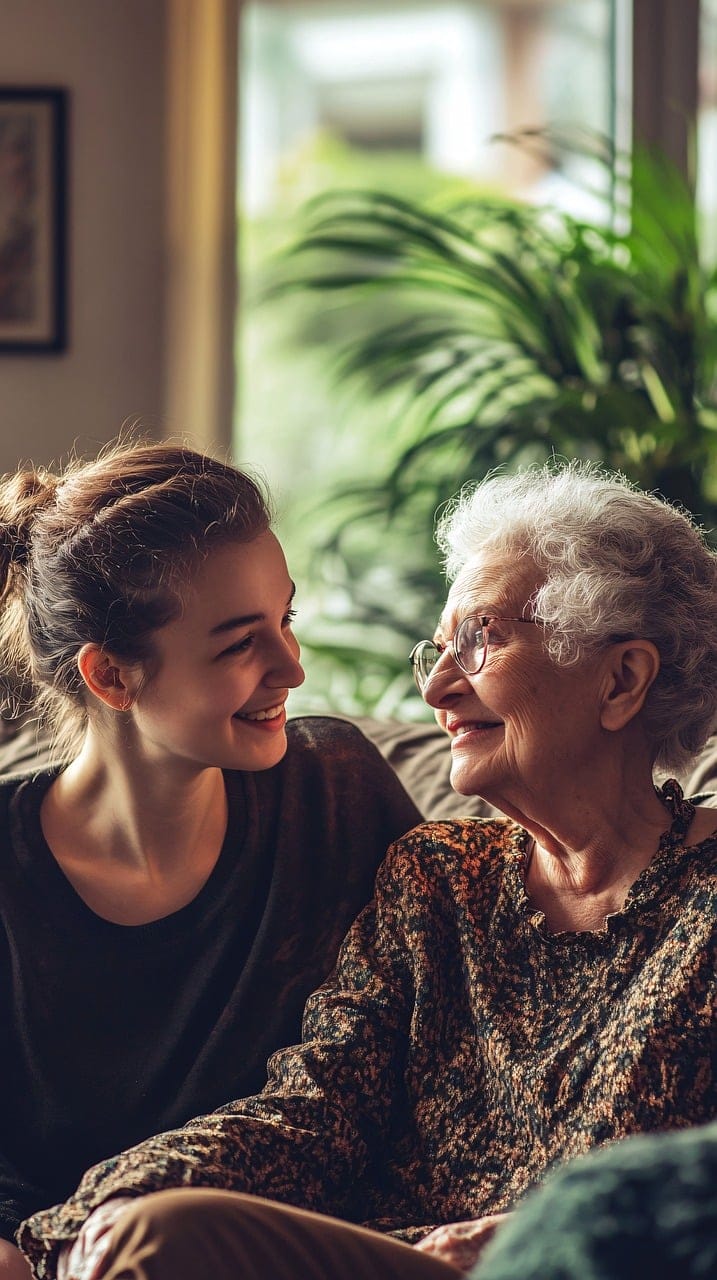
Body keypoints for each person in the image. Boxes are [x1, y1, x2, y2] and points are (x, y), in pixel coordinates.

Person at [18, 460, 717, 1280]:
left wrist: (541, 1234)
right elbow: (318, 1109)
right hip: (388, 1260)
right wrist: (101, 1209)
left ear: (621, 678)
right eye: (439, 646)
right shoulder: (436, 877)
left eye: (482, 639)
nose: (437, 686)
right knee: (143, 1232)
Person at [0, 439, 421, 1279]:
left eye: (286, 621)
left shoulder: (338, 792)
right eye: (238, 646)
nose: (291, 669)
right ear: (112, 677)